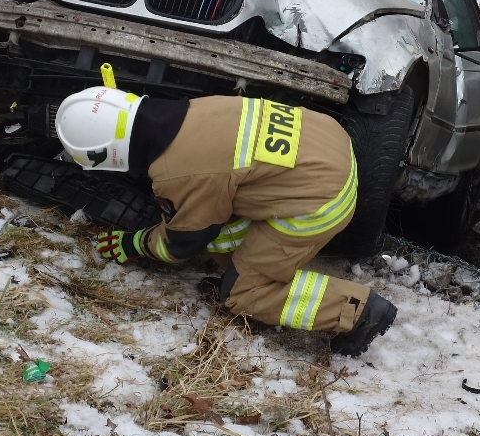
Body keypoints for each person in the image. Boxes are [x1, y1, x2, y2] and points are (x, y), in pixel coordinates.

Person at [54, 87, 397, 356]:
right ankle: (240, 271)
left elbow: (183, 242)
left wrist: (136, 243)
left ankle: (359, 311)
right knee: (220, 222)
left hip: (321, 201)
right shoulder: (189, 110)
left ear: (108, 153)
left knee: (242, 294)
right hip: (327, 144)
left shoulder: (177, 172)